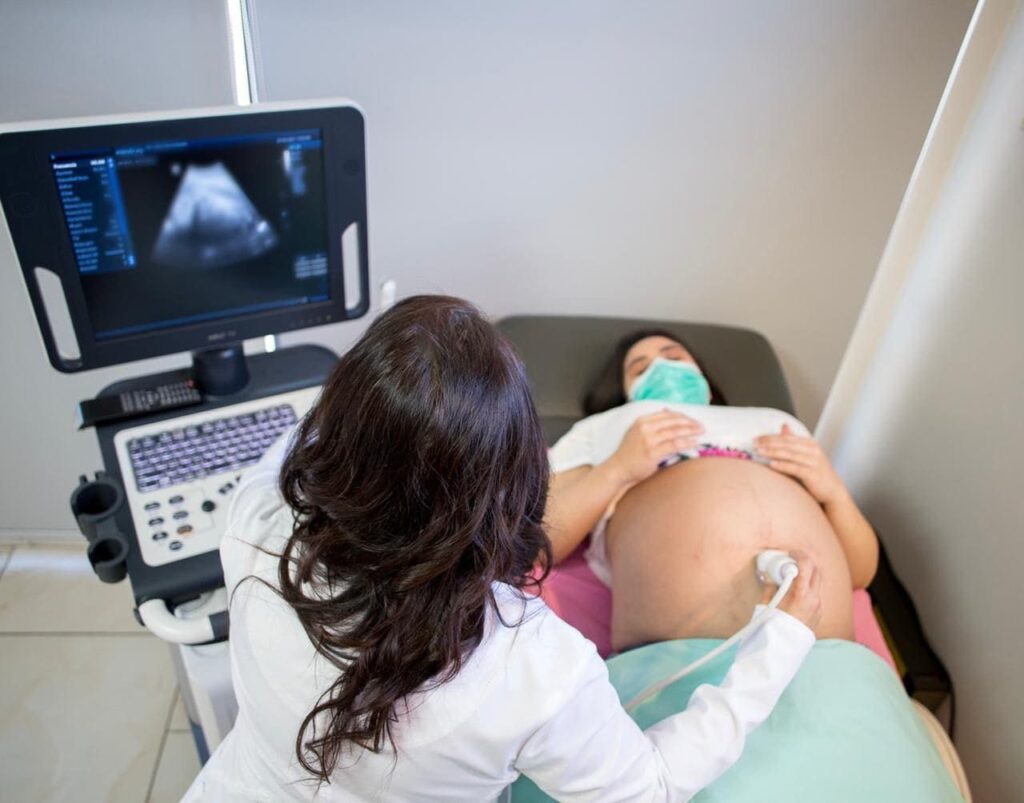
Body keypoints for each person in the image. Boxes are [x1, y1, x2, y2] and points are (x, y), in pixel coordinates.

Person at [184, 297, 822, 801]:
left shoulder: (256, 519)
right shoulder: (535, 670)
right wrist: (779, 645)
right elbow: (646, 789)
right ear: (515, 485)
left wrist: (379, 405)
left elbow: (308, 439)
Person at [545, 329, 879, 652]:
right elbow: (542, 542)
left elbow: (861, 574)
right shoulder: (604, 426)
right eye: (641, 369)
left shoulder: (777, 421)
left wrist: (834, 492)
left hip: (825, 651)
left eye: (674, 357)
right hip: (682, 652)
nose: (662, 368)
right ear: (624, 391)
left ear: (702, 374)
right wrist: (619, 467)